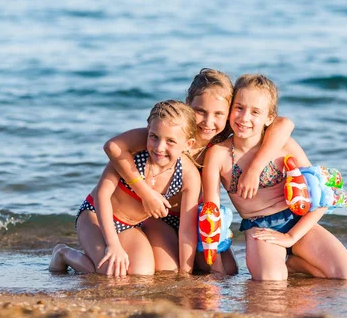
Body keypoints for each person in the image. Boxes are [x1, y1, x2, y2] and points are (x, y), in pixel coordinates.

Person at [103, 68, 295, 275]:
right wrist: (143, 191)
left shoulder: (222, 137)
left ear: (229, 112)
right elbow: (113, 147)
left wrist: (255, 168)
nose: (208, 122)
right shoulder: (171, 133)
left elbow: (285, 124)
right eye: (200, 111)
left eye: (219, 114)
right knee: (167, 271)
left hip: (194, 220)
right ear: (188, 104)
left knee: (227, 271)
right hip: (159, 215)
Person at [202, 74, 347, 281]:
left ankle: (294, 264)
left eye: (255, 112)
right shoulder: (219, 154)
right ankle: (287, 265)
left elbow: (321, 195)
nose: (245, 118)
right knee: (272, 281)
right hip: (260, 228)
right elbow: (212, 213)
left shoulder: (284, 145)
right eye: (239, 108)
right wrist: (216, 270)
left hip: (298, 223)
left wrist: (291, 236)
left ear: (269, 118)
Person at [49, 100, 201, 277]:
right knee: (110, 274)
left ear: (188, 144)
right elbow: (101, 195)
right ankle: (62, 253)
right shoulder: (132, 156)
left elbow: (187, 230)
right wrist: (113, 245)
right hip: (96, 216)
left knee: (142, 274)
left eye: (171, 141)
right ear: (147, 131)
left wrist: (186, 272)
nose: (160, 147)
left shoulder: (187, 175)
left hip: (130, 225)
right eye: (154, 136)